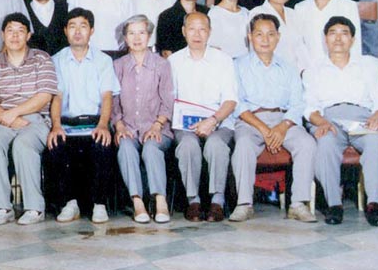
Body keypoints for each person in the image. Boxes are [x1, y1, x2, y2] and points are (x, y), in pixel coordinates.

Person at [229, 14, 318, 223]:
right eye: (259, 34)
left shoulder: (288, 68)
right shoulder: (237, 65)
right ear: (250, 37)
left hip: (283, 120)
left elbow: (297, 104)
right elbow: (237, 103)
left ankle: (298, 204)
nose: (265, 40)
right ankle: (244, 204)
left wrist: (282, 127)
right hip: (251, 121)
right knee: (243, 145)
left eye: (270, 34)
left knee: (307, 143)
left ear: (278, 37)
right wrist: (264, 129)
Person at [304, 17, 378, 226]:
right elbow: (309, 107)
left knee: (376, 142)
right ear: (325, 38)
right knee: (325, 143)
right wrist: (321, 122)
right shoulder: (313, 70)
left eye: (344, 33)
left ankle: (374, 205)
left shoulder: (368, 66)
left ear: (352, 39)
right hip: (328, 120)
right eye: (333, 33)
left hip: (363, 119)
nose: (338, 38)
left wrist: (377, 116)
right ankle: (334, 204)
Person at [45, 8, 119, 224]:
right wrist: (56, 126)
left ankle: (99, 204)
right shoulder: (56, 60)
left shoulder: (103, 60)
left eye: (83, 26)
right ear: (65, 31)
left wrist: (103, 125)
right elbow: (57, 97)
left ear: (91, 31)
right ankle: (70, 204)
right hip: (66, 123)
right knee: (56, 144)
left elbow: (107, 96)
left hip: (95, 122)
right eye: (72, 26)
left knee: (102, 144)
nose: (77, 32)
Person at [0, 13, 56, 226]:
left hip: (35, 119)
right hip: (4, 119)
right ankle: (2, 207)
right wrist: (7, 117)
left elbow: (45, 96)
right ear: (2, 35)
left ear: (28, 35)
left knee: (23, 144)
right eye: (10, 31)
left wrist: (15, 113)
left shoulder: (41, 58)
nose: (15, 36)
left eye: (20, 31)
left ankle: (35, 208)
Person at [168, 12, 237, 222]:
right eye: (192, 29)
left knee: (216, 145)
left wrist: (212, 121)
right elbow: (169, 99)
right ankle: (193, 201)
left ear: (210, 32)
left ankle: (217, 201)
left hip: (219, 121)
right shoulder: (173, 61)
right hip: (186, 124)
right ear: (183, 31)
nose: (197, 34)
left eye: (202, 29)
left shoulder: (223, 60)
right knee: (187, 145)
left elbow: (230, 100)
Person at [111, 15, 173, 224]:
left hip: (158, 128)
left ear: (149, 36)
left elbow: (168, 101)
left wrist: (157, 125)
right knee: (126, 148)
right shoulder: (117, 65)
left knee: (151, 147)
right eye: (131, 33)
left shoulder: (162, 65)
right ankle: (137, 202)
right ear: (125, 38)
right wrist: (119, 125)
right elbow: (113, 102)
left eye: (141, 33)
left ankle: (160, 200)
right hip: (127, 127)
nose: (137, 38)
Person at [291, 0, 363, 67]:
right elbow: (299, 44)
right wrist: (305, 69)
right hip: (311, 68)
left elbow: (355, 42)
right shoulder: (300, 8)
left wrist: (351, 68)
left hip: (340, 67)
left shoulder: (348, 6)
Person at [248, 0, 306, 71]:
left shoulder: (293, 13)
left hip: (296, 72)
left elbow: (300, 47)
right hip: (269, 71)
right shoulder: (257, 13)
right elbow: (255, 49)